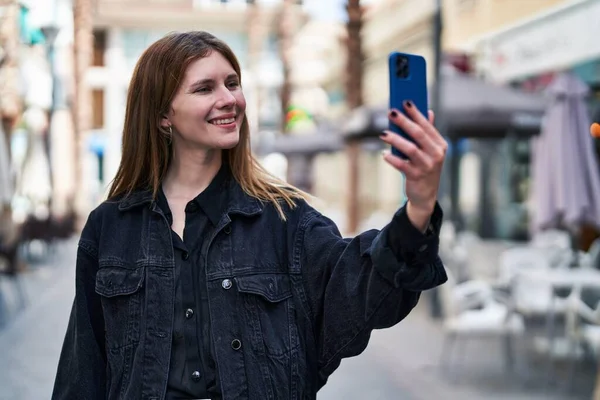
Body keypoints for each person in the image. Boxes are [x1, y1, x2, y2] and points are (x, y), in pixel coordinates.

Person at [52, 31, 447, 400]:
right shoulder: (110, 227)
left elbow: (367, 290)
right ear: (162, 116)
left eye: (232, 83)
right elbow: (83, 368)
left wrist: (420, 205)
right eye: (205, 88)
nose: (229, 99)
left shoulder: (286, 220)